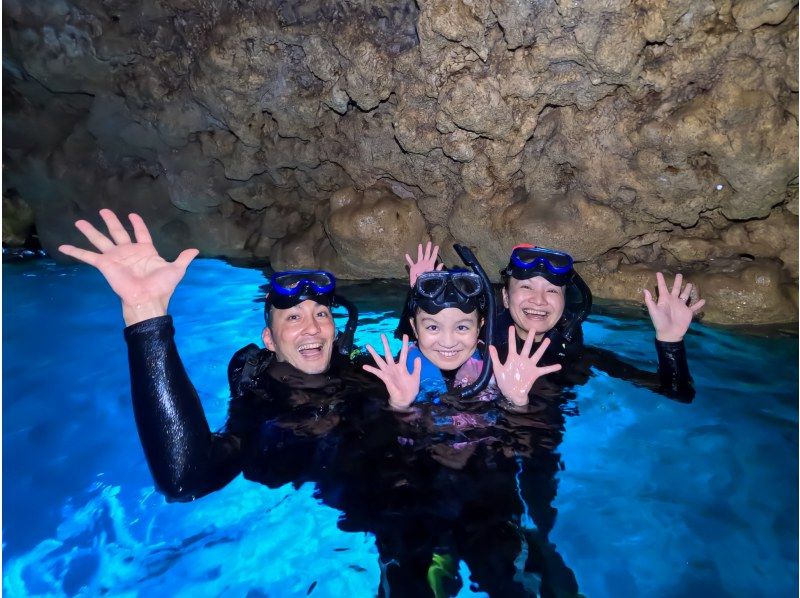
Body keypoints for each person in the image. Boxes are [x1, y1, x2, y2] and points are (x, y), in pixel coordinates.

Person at [58, 209, 379, 501]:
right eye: (293, 317)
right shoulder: (259, 390)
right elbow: (186, 479)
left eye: (321, 315)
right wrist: (146, 318)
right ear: (269, 340)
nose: (312, 328)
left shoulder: (368, 369)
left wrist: (403, 407)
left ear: (335, 330)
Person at [495, 244, 705, 401]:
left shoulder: (574, 357)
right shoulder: (479, 351)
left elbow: (679, 394)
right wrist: (513, 403)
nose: (539, 300)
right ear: (505, 297)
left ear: (564, 301)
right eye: (526, 287)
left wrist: (670, 341)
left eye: (551, 290)